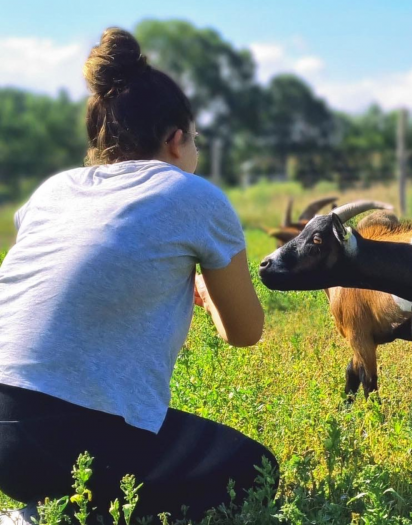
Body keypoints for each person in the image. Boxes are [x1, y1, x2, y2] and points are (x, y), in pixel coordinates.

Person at [0, 28, 275, 521]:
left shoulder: (52, 191)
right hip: (72, 437)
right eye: (195, 140)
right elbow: (245, 332)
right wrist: (209, 295)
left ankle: (47, 508)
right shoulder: (193, 195)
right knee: (254, 471)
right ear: (176, 140)